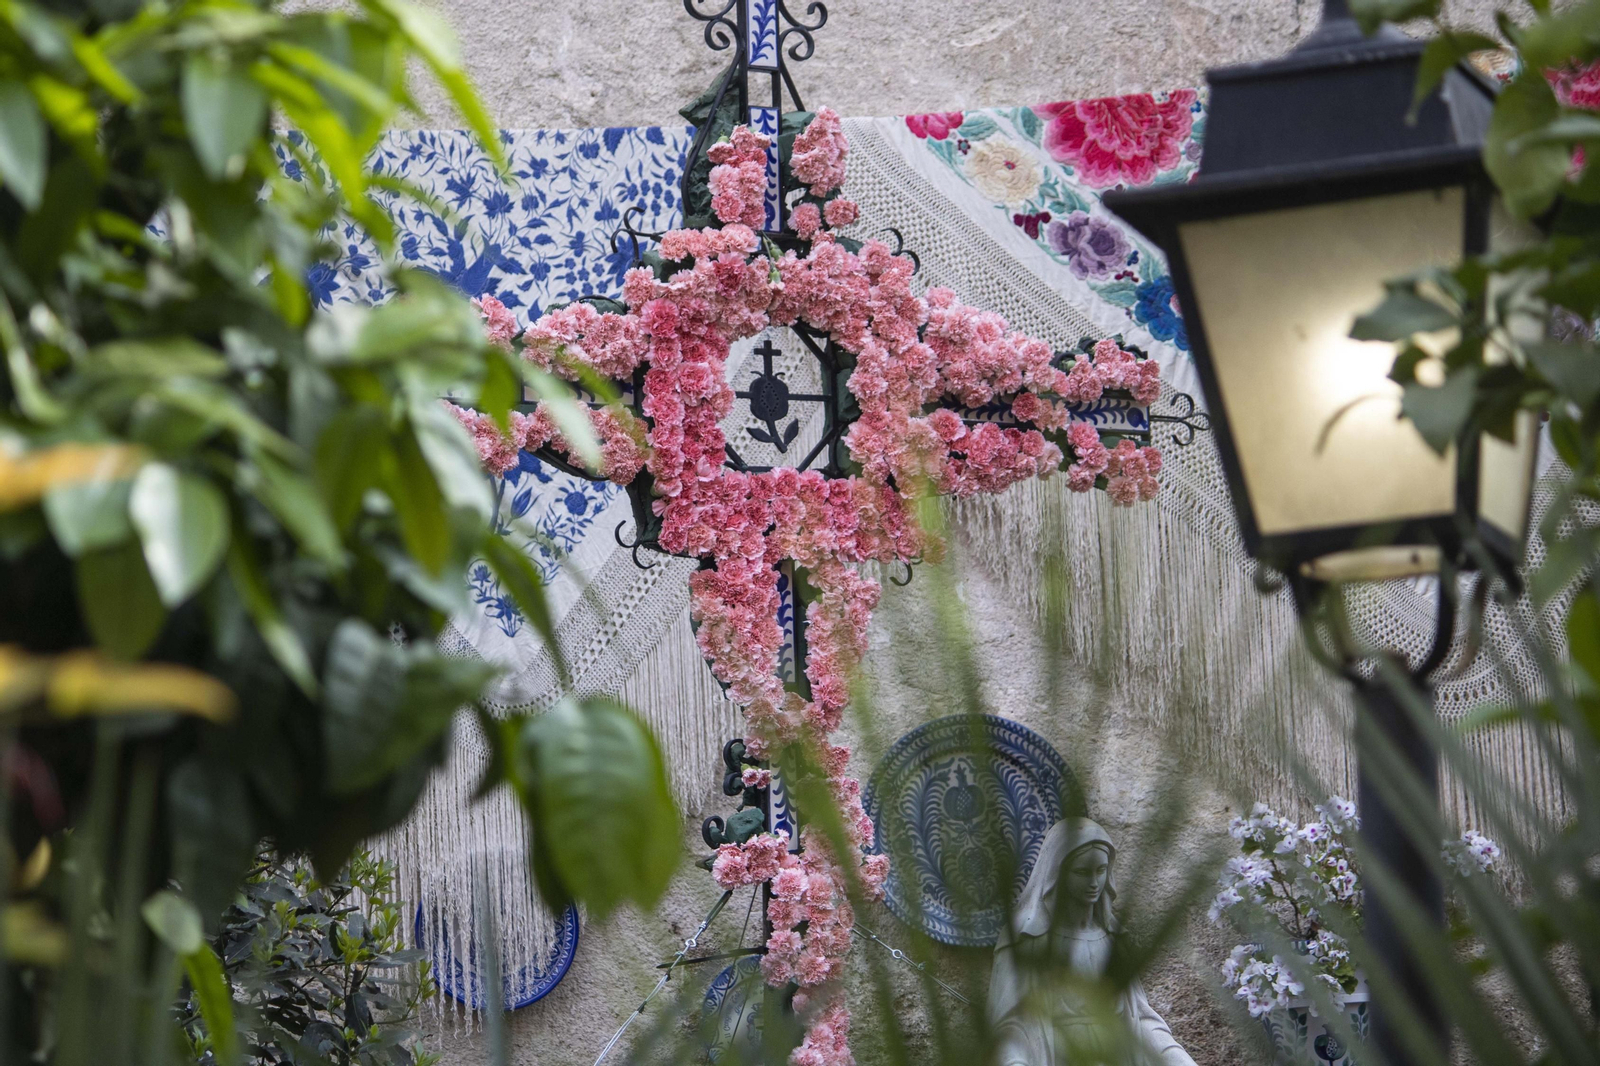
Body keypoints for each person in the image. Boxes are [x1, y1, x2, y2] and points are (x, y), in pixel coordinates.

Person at [987, 818, 1196, 1066]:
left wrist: (1177, 1059)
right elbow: (1010, 1027)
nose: (1094, 883)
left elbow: (1140, 1020)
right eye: (1082, 872)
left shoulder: (1112, 937)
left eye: (1101, 870)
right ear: (1057, 873)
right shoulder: (1027, 937)